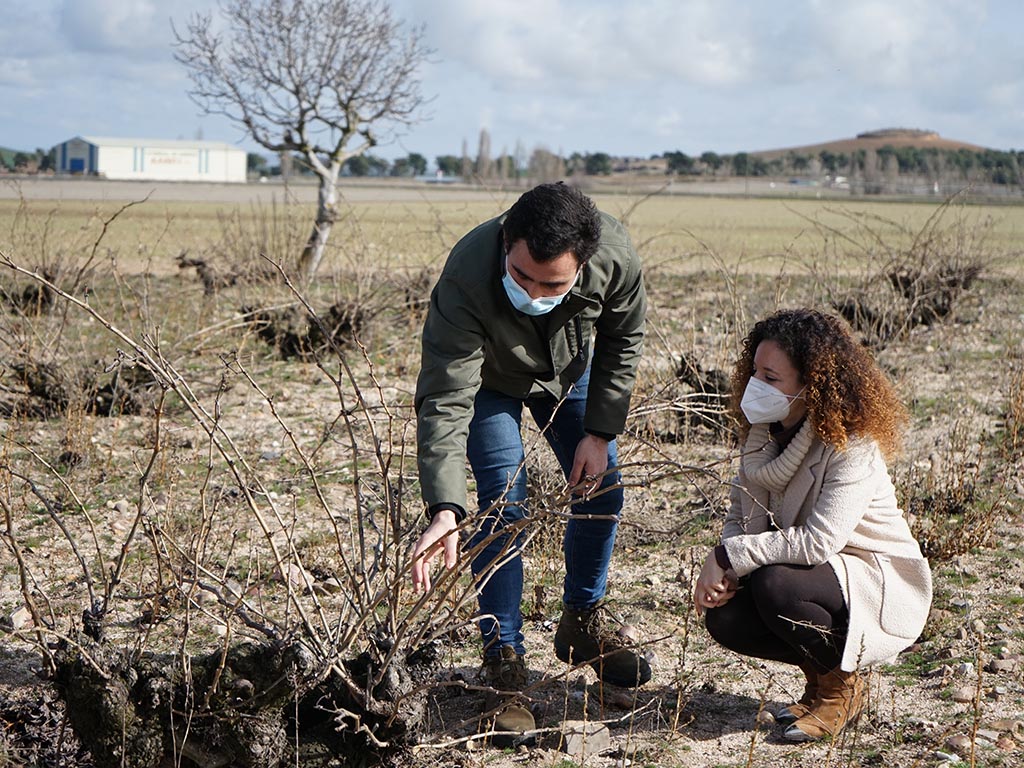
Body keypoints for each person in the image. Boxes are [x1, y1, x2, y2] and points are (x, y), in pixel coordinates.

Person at [411, 182, 650, 743]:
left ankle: (582, 623)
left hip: (567, 371)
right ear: (506, 243)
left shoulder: (614, 255)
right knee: (503, 501)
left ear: (584, 265)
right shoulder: (469, 272)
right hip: (488, 382)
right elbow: (447, 394)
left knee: (602, 487)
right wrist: (445, 506)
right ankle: (504, 662)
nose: (533, 291)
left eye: (553, 283)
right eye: (520, 276)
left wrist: (599, 430)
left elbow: (623, 336)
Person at [695, 308, 932, 742]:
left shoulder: (851, 443)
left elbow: (820, 541)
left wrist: (727, 556)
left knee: (774, 585)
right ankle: (817, 682)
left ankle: (842, 690)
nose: (755, 387)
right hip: (813, 574)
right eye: (754, 373)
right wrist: (726, 570)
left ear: (811, 385)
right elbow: (738, 516)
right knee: (726, 616)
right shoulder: (760, 441)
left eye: (771, 378)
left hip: (874, 578)